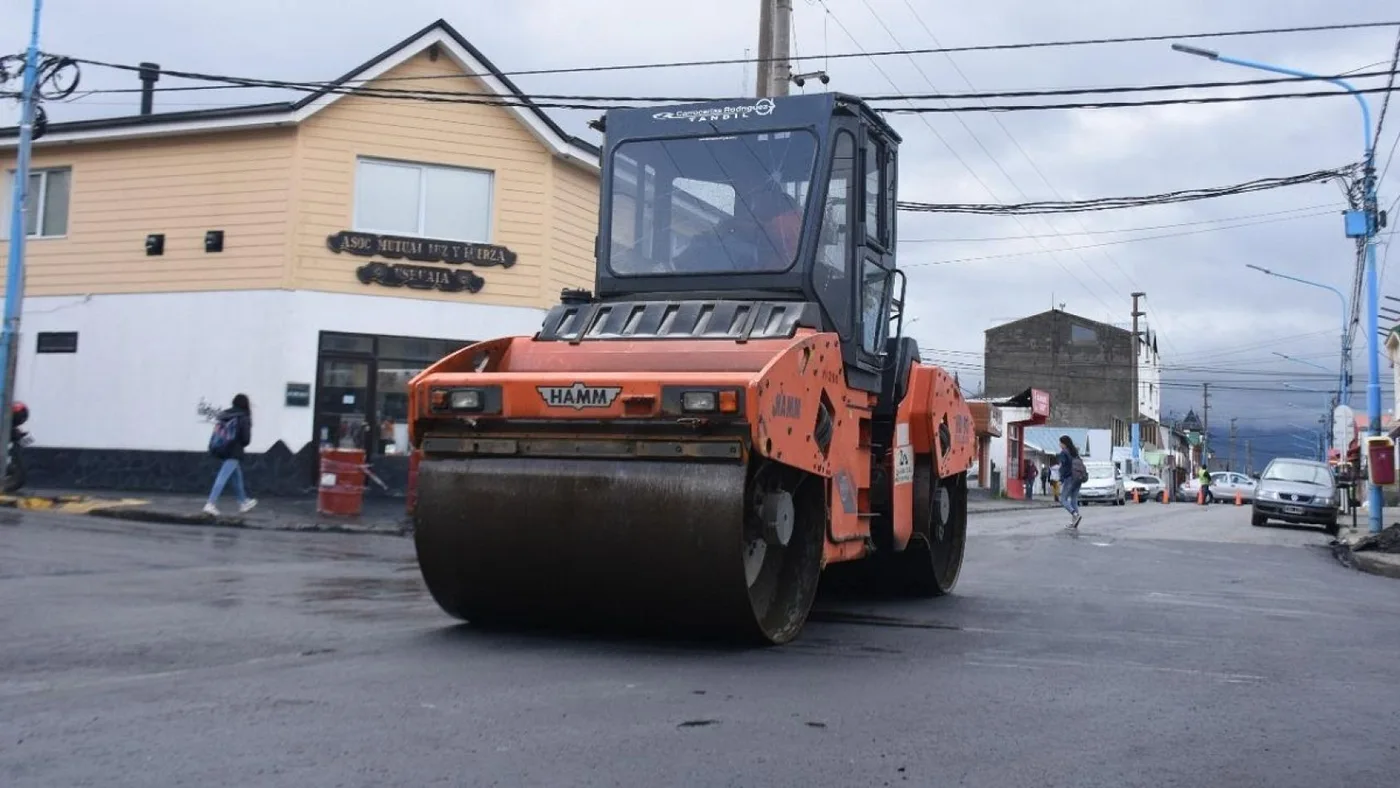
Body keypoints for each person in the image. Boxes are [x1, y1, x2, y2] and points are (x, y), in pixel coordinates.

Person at [204, 393, 258, 516]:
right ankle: (210, 504)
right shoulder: (243, 417)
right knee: (222, 477)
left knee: (236, 477)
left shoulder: (225, 414)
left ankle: (243, 502)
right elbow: (246, 439)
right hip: (234, 451)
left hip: (222, 449)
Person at [1057, 435, 1084, 528]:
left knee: (1063, 499)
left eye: (1060, 442)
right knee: (1073, 500)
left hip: (1069, 478)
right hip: (1078, 478)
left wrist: (1061, 479)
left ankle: (1075, 515)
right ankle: (1074, 522)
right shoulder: (1075, 452)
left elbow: (1064, 467)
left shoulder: (1064, 453)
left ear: (1064, 443)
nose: (1059, 444)